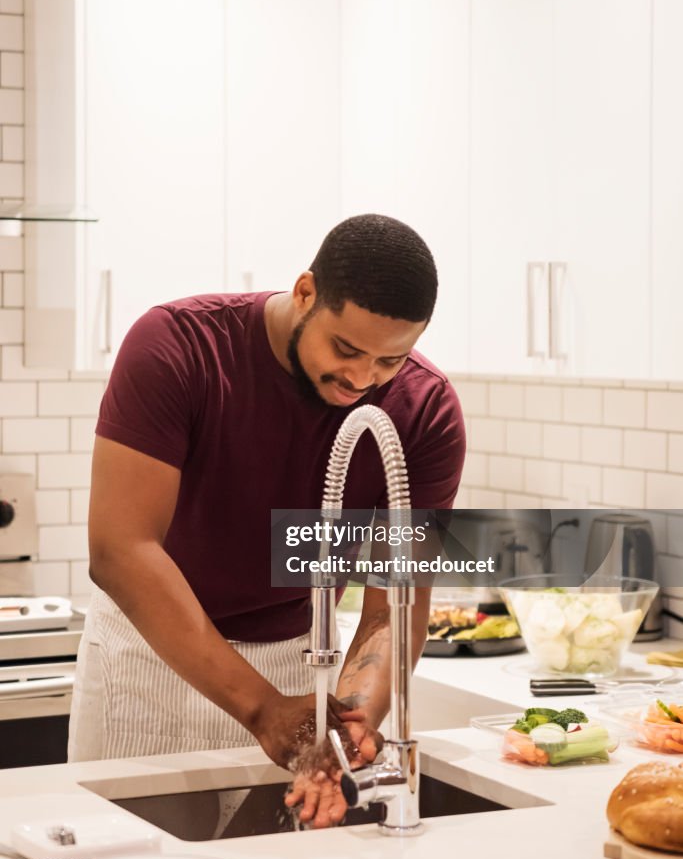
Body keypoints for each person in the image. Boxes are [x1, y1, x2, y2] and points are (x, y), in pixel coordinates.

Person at [68, 213, 466, 828]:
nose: (362, 380)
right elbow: (121, 549)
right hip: (152, 667)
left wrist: (352, 725)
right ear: (305, 292)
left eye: (390, 360)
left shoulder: (424, 410)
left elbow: (395, 604)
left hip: (302, 667)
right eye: (346, 348)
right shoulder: (178, 346)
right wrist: (260, 709)